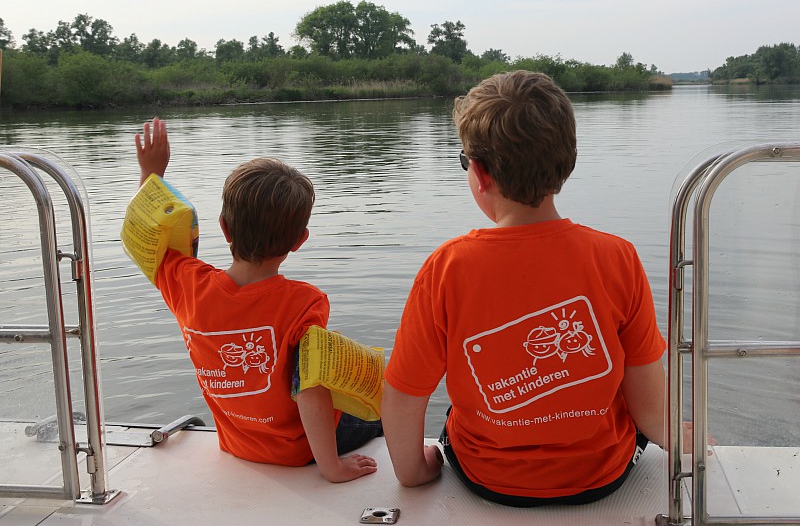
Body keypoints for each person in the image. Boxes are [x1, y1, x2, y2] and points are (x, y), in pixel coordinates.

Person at [381, 71, 667, 506]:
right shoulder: (617, 257)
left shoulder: (447, 268)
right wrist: (681, 438)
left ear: (479, 173)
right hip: (600, 475)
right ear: (567, 162)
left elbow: (404, 396)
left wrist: (412, 472)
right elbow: (648, 406)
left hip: (488, 477)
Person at [133, 117, 381, 483]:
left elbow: (147, 237)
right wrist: (332, 467)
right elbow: (309, 388)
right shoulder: (304, 302)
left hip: (237, 444)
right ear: (300, 241)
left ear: (224, 227)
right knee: (377, 406)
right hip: (297, 450)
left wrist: (152, 172)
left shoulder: (187, 285)